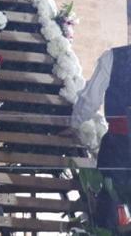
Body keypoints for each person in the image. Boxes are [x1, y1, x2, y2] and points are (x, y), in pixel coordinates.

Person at [71, 45, 131, 228]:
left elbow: (90, 99)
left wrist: (74, 123)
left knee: (113, 204)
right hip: (119, 143)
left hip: (119, 145)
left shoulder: (115, 57)